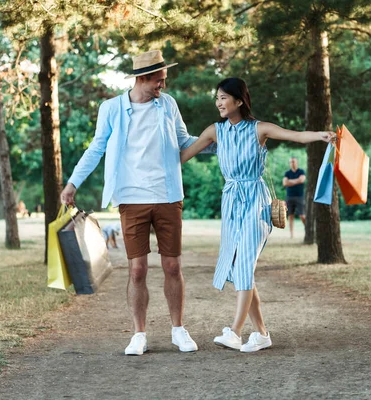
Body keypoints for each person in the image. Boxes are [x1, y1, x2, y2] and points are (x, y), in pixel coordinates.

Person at [60, 50, 215, 356]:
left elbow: (185, 141)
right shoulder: (112, 109)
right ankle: (139, 334)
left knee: (172, 265)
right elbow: (96, 149)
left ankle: (178, 330)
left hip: (168, 195)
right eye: (159, 80)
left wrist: (219, 142)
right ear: (143, 78)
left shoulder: (168, 105)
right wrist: (72, 183)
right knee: (137, 270)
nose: (163, 86)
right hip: (131, 199)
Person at [180, 77, 333, 352]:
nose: (218, 102)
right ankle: (261, 334)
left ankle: (235, 331)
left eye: (224, 97)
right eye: (217, 97)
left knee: (245, 262)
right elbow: (182, 156)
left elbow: (294, 135)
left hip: (257, 201)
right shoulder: (215, 131)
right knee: (241, 267)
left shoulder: (259, 129)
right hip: (231, 202)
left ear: (239, 100)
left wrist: (321, 135)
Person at [283, 157, 306, 239]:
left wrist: (290, 182)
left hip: (300, 196)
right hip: (289, 197)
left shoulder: (301, 171)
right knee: (290, 216)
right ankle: (291, 234)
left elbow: (302, 180)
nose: (292, 163)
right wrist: (297, 181)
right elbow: (285, 183)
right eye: (291, 162)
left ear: (297, 162)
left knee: (302, 216)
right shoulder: (287, 173)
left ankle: (307, 230)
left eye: (294, 162)